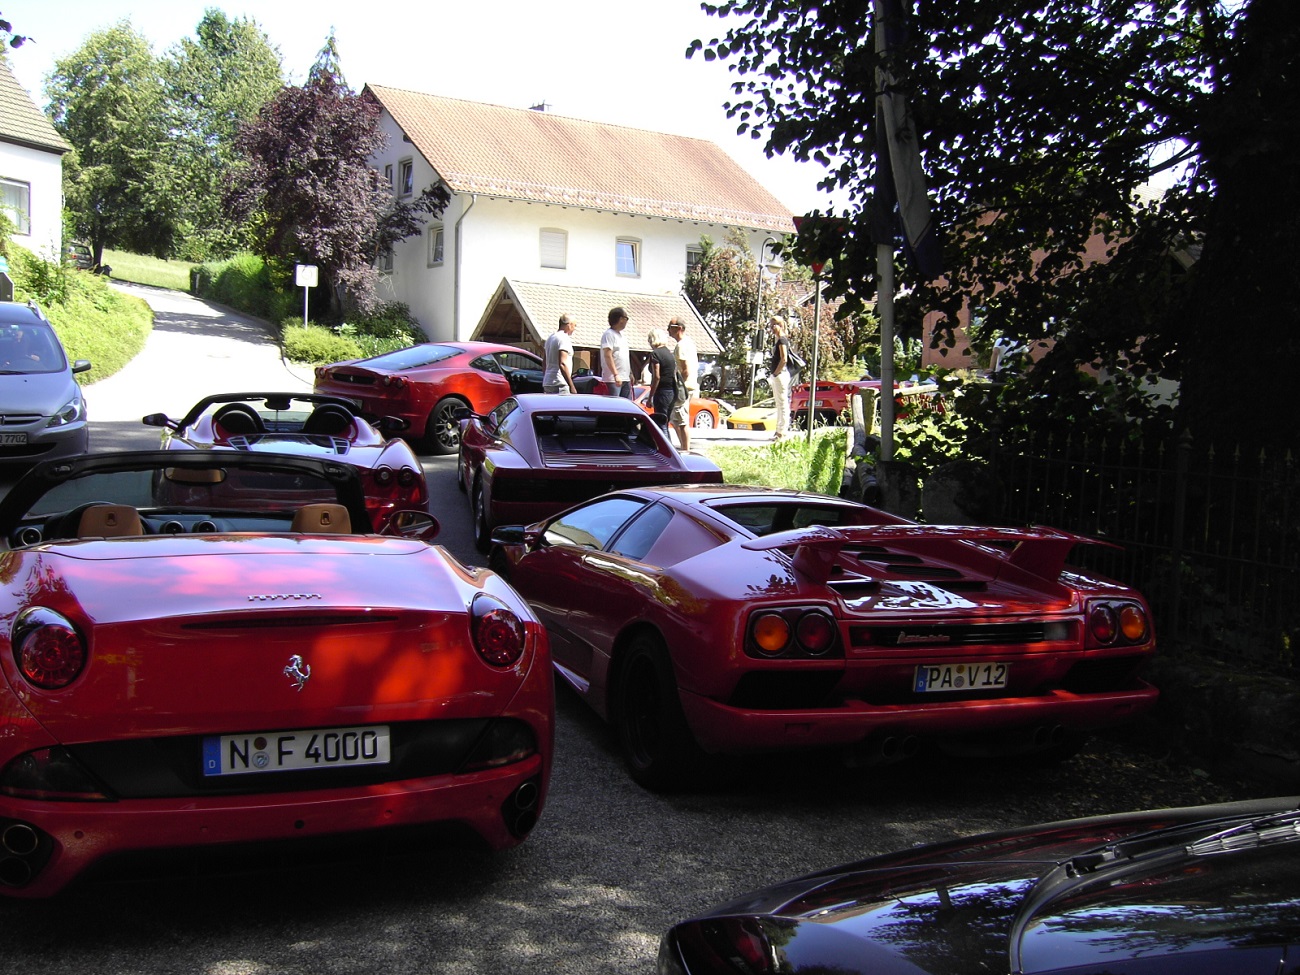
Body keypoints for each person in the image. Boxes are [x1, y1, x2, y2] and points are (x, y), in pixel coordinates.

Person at [667, 317, 698, 451]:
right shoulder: (689, 342)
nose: (668, 330)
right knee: (676, 420)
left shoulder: (681, 345)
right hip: (688, 386)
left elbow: (685, 370)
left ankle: (686, 450)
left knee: (681, 421)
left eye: (670, 327)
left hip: (683, 388)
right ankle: (683, 448)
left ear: (679, 328)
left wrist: (678, 386)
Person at [645, 328, 678, 432]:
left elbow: (657, 377)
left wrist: (650, 397)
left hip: (662, 392)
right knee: (665, 423)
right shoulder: (669, 354)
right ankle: (667, 442)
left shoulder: (655, 354)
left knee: (660, 424)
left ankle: (664, 443)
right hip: (672, 391)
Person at [767, 316, 792, 440]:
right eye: (770, 326)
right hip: (779, 375)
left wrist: (775, 373)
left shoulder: (782, 340)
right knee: (779, 403)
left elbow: (784, 359)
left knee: (782, 404)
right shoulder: (779, 340)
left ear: (780, 325)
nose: (771, 328)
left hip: (780, 375)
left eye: (773, 325)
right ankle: (778, 431)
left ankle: (781, 432)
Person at [601, 306, 632, 398]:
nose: (626, 321)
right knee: (614, 403)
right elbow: (608, 355)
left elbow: (624, 357)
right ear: (621, 319)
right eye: (626, 318)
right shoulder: (609, 334)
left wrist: (630, 373)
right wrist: (616, 374)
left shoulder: (622, 336)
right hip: (613, 379)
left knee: (627, 404)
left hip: (625, 378)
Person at [543, 314, 578, 393]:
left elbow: (544, 362)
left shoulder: (550, 338)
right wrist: (571, 386)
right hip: (560, 383)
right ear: (569, 325)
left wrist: (546, 377)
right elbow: (562, 363)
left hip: (548, 382)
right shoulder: (564, 338)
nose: (574, 328)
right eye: (574, 325)